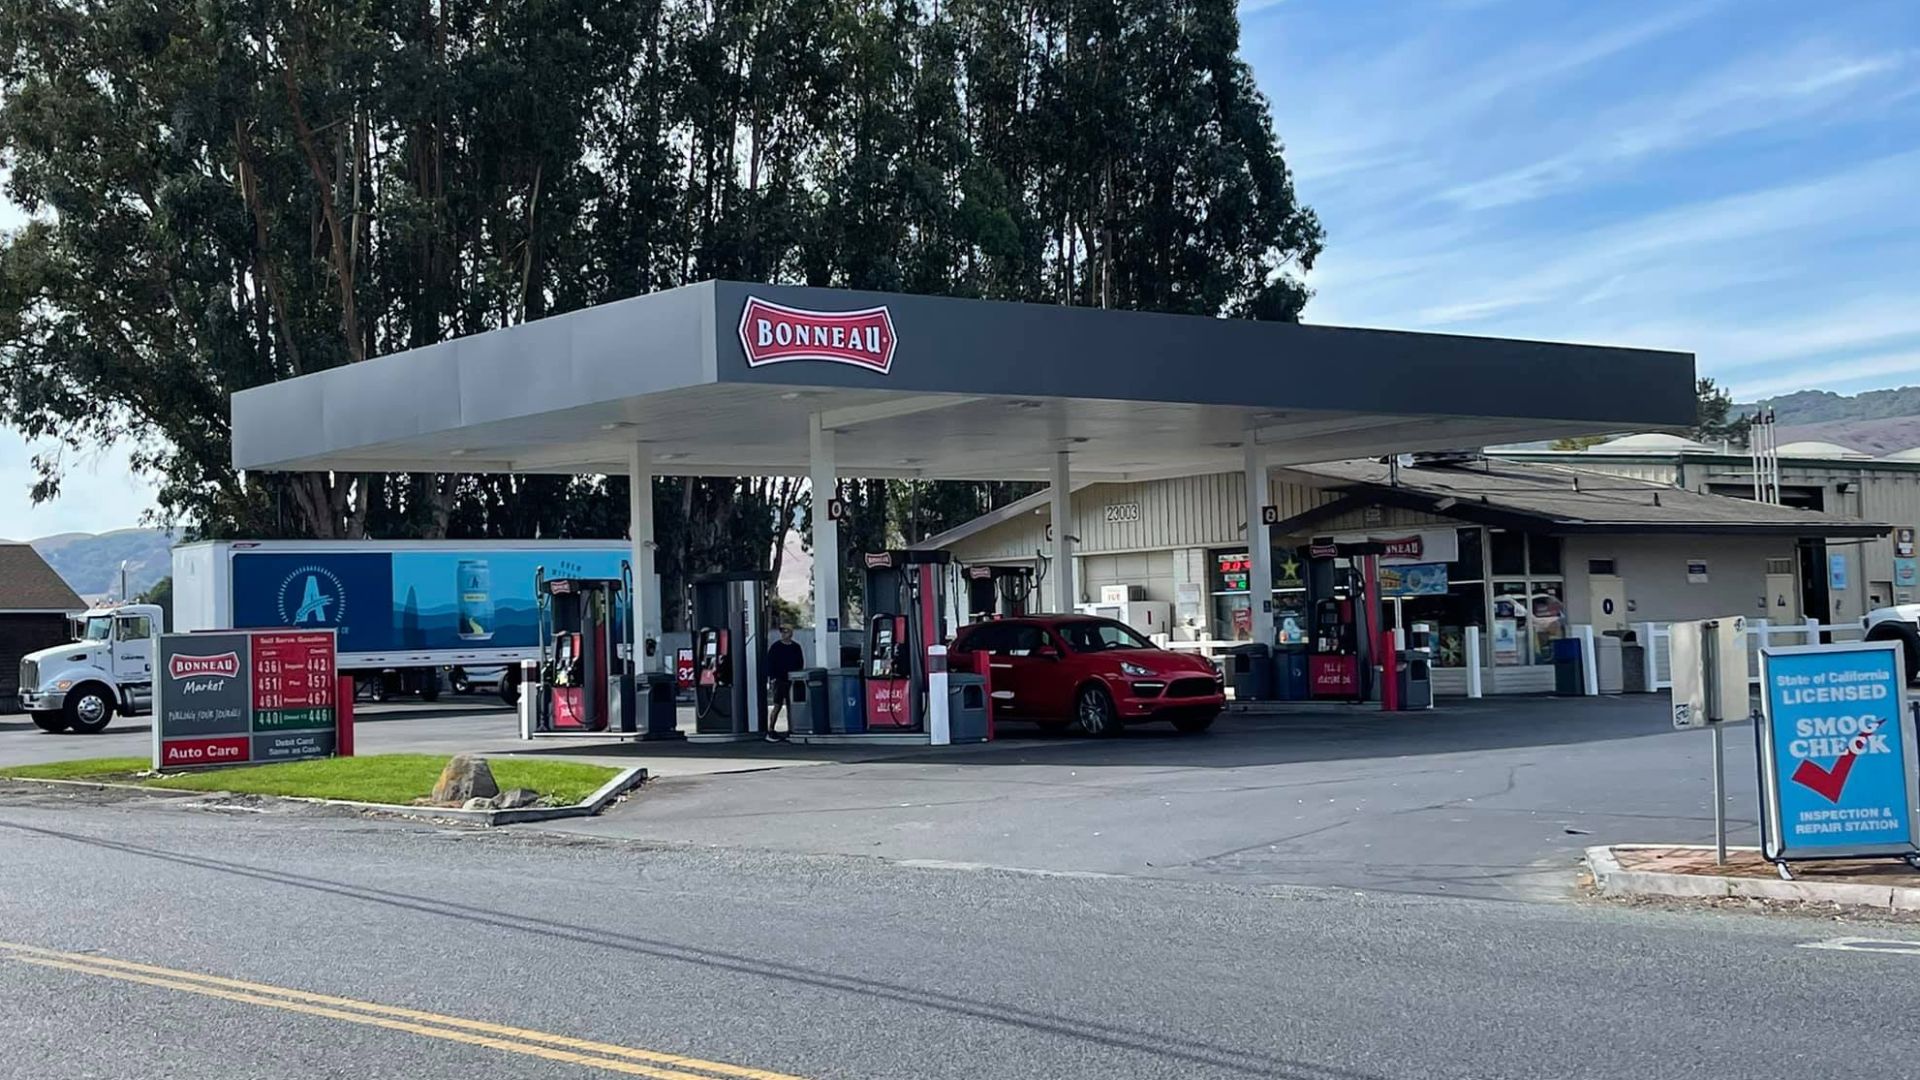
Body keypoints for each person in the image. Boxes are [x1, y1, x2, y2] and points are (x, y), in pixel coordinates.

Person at [764, 625, 806, 740]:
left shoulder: (796, 647)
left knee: (791, 706)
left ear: (791, 633)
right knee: (777, 705)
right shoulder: (776, 647)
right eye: (782, 632)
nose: (784, 634)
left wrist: (797, 676)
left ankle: (791, 729)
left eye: (786, 632)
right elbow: (770, 663)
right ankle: (771, 729)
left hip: (792, 680)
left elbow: (800, 662)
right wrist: (772, 677)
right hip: (779, 680)